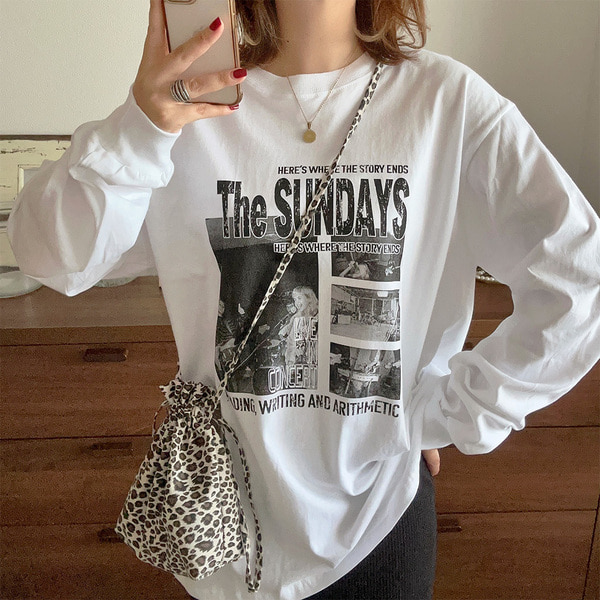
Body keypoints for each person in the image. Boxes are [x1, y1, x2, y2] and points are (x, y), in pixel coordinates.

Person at [7, 1, 600, 599]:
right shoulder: (191, 106)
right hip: (218, 527)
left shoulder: (448, 105)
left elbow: (581, 277)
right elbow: (50, 256)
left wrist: (446, 411)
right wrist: (142, 125)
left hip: (378, 528)